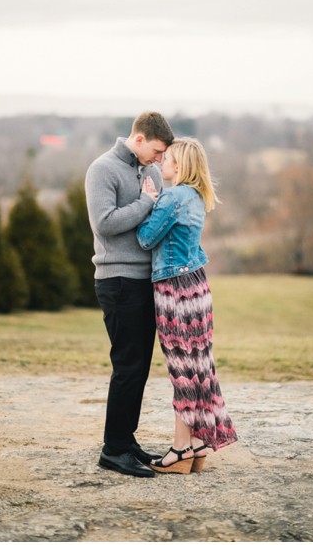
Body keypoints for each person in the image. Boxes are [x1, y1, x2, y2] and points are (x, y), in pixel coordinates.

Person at [136, 137, 237, 474]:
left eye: (167, 159)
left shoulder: (173, 197)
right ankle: (197, 442)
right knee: (198, 366)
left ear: (178, 165)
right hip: (196, 287)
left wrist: (147, 201)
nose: (161, 162)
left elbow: (146, 239)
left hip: (174, 291)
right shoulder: (195, 196)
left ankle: (180, 450)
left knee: (181, 368)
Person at [85, 111, 175, 477]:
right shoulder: (102, 170)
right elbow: (104, 223)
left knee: (139, 367)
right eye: (155, 150)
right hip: (117, 280)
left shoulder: (152, 171)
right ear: (138, 139)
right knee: (127, 365)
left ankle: (126, 439)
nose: (158, 159)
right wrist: (146, 203)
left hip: (147, 280)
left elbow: (153, 225)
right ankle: (113, 450)